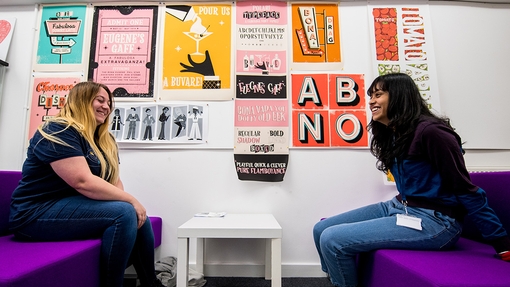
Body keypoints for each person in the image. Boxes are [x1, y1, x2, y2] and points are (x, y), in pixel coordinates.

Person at [313, 73, 510, 287]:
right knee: (320, 230)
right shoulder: (395, 133)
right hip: (399, 207)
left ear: (399, 96)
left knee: (332, 239)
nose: (371, 101)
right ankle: (338, 280)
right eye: (370, 96)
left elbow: (465, 189)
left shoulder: (433, 133)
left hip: (436, 222)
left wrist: (501, 242)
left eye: (378, 95)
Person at [9, 81, 164, 287]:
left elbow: (113, 181)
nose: (106, 107)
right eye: (100, 100)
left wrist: (129, 203)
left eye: (109, 103)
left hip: (69, 207)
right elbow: (82, 181)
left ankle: (150, 283)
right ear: (81, 101)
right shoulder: (58, 130)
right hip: (34, 214)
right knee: (125, 211)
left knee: (134, 213)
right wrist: (130, 201)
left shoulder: (103, 139)